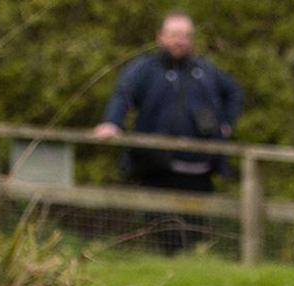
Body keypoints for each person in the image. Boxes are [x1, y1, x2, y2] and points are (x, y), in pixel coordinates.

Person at [96, 12, 243, 195]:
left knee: (195, 223)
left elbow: (234, 91)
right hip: (156, 169)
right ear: (161, 37)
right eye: (174, 35)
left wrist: (227, 123)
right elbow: (123, 94)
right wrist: (112, 122)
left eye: (185, 36)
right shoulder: (145, 68)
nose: (179, 41)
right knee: (159, 222)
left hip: (199, 172)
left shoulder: (205, 70)